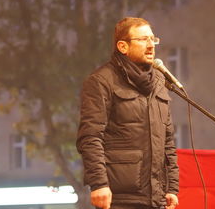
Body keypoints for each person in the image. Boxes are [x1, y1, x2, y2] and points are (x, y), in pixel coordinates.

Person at [76, 17, 179, 209]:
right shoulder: (101, 81)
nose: (151, 46)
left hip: (156, 199)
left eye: (153, 39)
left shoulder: (159, 82)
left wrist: (172, 187)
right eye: (143, 40)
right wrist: (99, 184)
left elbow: (168, 140)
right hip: (120, 198)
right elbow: (90, 137)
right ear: (123, 46)